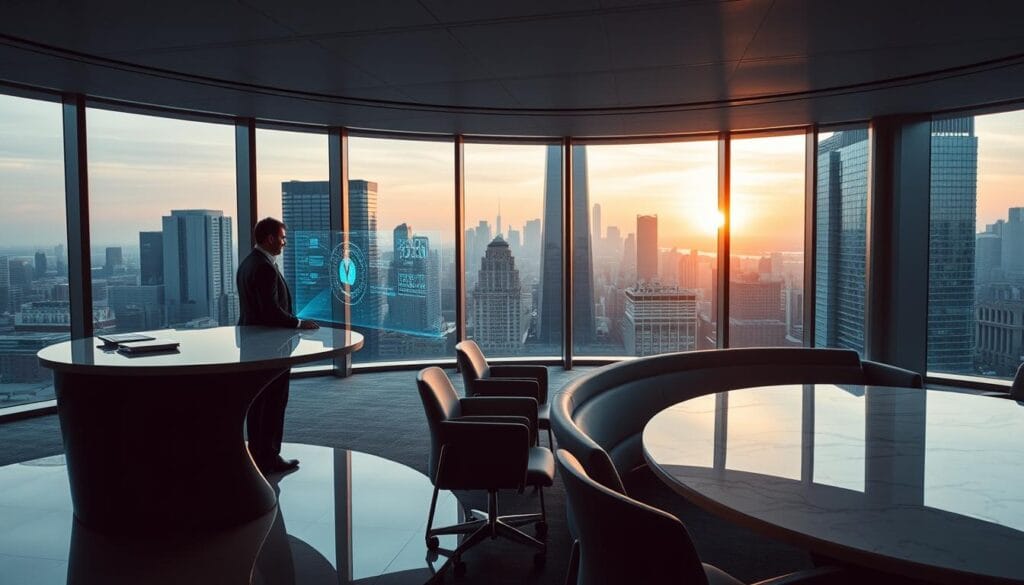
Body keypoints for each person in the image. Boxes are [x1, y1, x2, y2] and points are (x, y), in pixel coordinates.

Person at [237, 217, 318, 474]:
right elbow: (271, 311)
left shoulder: (249, 263)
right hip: (271, 347)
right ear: (270, 238)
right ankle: (269, 457)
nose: (285, 242)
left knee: (259, 402)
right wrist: (298, 324)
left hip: (253, 345)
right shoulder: (264, 268)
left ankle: (257, 454)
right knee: (273, 401)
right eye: (282, 237)